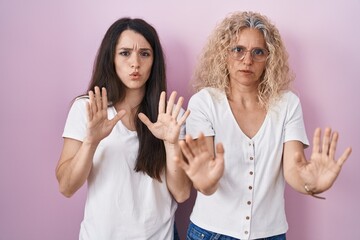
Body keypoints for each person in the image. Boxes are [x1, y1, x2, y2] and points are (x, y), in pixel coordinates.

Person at [175, 11, 352, 240]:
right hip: (210, 233)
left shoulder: (287, 104)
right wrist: (205, 183)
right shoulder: (205, 102)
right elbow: (205, 177)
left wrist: (311, 183)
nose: (247, 61)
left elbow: (294, 169)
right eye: (238, 49)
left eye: (258, 52)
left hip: (271, 234)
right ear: (223, 54)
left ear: (269, 58)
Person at [55, 17, 190, 240]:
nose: (135, 63)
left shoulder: (170, 115)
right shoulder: (86, 109)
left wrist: (171, 143)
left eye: (144, 54)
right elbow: (66, 187)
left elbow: (182, 193)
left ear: (154, 61)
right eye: (125, 53)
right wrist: (91, 141)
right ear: (111, 58)